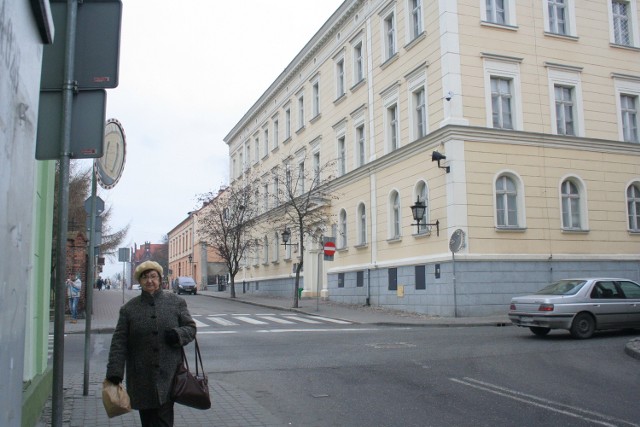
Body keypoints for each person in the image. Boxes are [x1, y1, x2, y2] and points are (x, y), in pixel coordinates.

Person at [106, 261, 196, 427]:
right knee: (147, 421)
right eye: (145, 277)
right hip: (141, 377)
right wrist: (114, 372)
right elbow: (119, 342)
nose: (149, 281)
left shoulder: (176, 302)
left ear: (160, 279)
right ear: (139, 281)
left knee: (164, 420)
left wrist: (178, 335)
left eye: (153, 276)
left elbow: (191, 328)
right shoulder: (129, 309)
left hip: (169, 375)